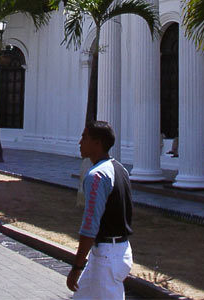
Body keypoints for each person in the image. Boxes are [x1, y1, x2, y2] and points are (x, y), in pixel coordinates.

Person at [67, 121, 133, 300]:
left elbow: (90, 226)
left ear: (97, 143)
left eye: (84, 137)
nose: (80, 142)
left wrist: (76, 267)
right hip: (115, 251)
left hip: (107, 257)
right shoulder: (121, 170)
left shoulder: (96, 176)